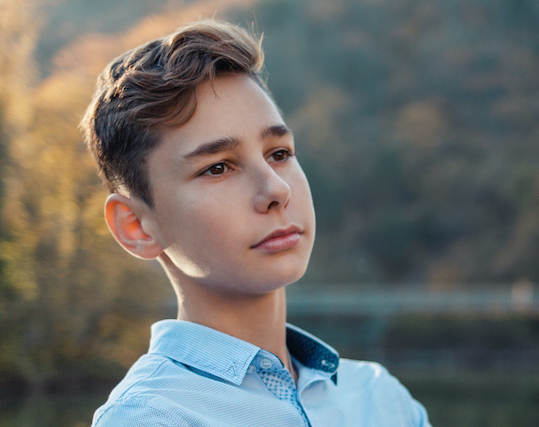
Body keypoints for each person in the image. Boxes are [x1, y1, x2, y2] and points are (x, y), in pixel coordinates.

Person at [80, 19, 430, 426]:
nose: (276, 189)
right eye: (218, 168)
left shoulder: (380, 399)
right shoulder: (151, 417)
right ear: (136, 227)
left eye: (279, 153)